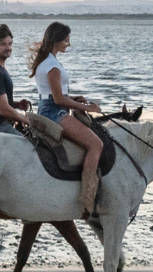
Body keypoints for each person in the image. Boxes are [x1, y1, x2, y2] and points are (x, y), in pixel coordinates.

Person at [28, 21, 103, 215]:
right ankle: (87, 198)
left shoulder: (47, 61)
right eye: (66, 40)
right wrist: (88, 107)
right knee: (96, 145)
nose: (68, 44)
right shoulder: (52, 65)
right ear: (57, 40)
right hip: (53, 112)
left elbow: (54, 94)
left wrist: (72, 98)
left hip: (49, 107)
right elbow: (58, 99)